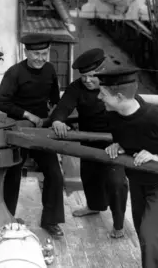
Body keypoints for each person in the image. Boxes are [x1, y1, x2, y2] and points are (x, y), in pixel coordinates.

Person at [98, 68, 158, 268]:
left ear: (120, 96)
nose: (99, 97)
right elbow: (128, 137)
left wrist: (157, 156)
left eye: (103, 94)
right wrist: (119, 145)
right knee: (154, 235)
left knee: (151, 234)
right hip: (138, 181)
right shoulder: (114, 115)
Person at [49, 48, 128, 238]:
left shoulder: (118, 86)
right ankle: (94, 206)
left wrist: (123, 142)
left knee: (116, 182)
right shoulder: (77, 88)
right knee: (90, 176)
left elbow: (133, 114)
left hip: (115, 142)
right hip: (89, 139)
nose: (87, 81)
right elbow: (63, 107)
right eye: (84, 76)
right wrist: (58, 120)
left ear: (102, 71)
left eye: (92, 76)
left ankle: (118, 224)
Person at [0, 34, 64, 237]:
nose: (41, 58)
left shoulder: (49, 70)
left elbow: (54, 98)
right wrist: (28, 115)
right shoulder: (14, 73)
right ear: (26, 52)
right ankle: (6, 219)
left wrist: (54, 116)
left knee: (54, 174)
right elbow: (1, 102)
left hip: (41, 130)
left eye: (44, 53)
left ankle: (51, 221)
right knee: (12, 174)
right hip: (18, 130)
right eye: (36, 54)